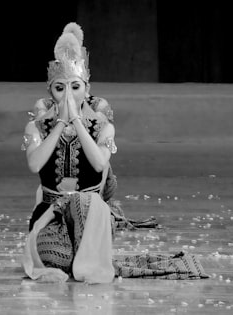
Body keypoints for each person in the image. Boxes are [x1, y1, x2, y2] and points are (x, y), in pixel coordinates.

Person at [21, 22, 207, 283]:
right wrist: (60, 123)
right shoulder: (37, 126)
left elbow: (98, 164)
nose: (68, 95)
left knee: (85, 205)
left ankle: (87, 250)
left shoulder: (103, 128)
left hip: (89, 213)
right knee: (56, 261)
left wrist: (76, 122)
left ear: (86, 89)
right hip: (51, 212)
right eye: (60, 88)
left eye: (75, 87)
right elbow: (34, 164)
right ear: (51, 92)